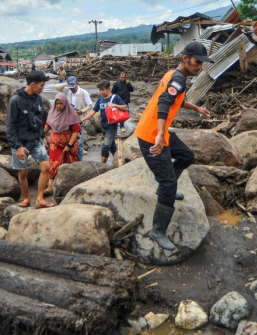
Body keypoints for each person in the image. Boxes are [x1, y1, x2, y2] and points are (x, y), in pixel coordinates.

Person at [134, 42, 213, 251]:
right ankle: (157, 231)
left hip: (157, 132)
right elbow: (163, 103)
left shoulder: (175, 75)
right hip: (151, 136)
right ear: (185, 58)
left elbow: (175, 99)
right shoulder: (178, 78)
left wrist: (196, 108)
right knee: (170, 184)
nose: (200, 67)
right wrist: (160, 134)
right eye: (197, 62)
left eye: (202, 63)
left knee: (186, 156)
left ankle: (164, 187)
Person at [6, 70, 53, 208]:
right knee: (23, 173)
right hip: (20, 143)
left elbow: (39, 119)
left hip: (36, 140)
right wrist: (17, 146)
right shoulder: (15, 100)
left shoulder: (38, 99)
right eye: (41, 85)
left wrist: (43, 135)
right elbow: (10, 125)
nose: (42, 88)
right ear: (33, 84)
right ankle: (26, 197)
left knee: (46, 167)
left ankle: (39, 198)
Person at [43, 93, 81, 197]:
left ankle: (70, 187)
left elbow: (76, 131)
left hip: (68, 145)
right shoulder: (52, 113)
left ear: (65, 103)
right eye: (57, 104)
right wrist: (42, 136)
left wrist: (69, 145)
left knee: (69, 164)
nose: (59, 106)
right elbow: (48, 125)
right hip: (55, 145)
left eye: (61, 104)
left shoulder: (71, 114)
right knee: (53, 164)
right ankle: (50, 187)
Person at [81, 80, 127, 163]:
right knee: (112, 147)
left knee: (105, 146)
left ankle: (101, 165)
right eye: (100, 90)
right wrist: (82, 120)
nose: (101, 92)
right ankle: (120, 163)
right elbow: (93, 111)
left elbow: (125, 108)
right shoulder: (100, 100)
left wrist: (114, 105)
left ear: (108, 89)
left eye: (103, 90)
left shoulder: (115, 98)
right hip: (104, 127)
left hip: (112, 127)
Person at [56, 75, 93, 160]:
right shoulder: (67, 91)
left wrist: (81, 111)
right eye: (70, 87)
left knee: (79, 142)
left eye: (73, 87)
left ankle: (79, 159)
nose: (71, 89)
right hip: (69, 120)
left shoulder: (84, 92)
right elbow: (57, 87)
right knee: (70, 140)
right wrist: (68, 83)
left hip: (80, 120)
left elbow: (90, 105)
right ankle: (71, 159)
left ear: (77, 84)